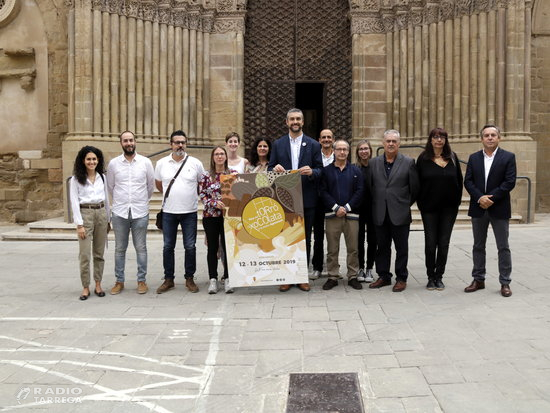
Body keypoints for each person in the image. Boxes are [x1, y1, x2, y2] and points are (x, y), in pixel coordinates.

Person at [268, 108, 323, 292]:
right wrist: (274, 168)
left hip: (306, 198)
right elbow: (269, 168)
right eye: (292, 119)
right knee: (285, 238)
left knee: (304, 239)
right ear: (287, 122)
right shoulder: (278, 144)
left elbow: (320, 170)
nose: (295, 121)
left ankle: (301, 276)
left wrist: (312, 172)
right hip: (284, 199)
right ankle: (287, 276)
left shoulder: (314, 145)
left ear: (302, 122)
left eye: (298, 118)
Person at [463, 124, 516, 297]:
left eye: (493, 135)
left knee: (503, 247)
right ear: (482, 139)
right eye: (487, 135)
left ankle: (505, 282)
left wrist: (490, 199)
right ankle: (478, 279)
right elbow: (468, 181)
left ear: (499, 138)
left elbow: (509, 182)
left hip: (499, 208)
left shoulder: (508, 157)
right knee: (478, 245)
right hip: (478, 208)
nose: (490, 138)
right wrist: (480, 198)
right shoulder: (473, 158)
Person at [368, 129, 419, 292]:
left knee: (401, 248)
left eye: (394, 141)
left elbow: (415, 189)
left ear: (399, 144)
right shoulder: (373, 163)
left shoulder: (409, 162)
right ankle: (383, 276)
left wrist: (403, 204)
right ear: (383, 143)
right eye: (388, 141)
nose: (390, 144)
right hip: (380, 213)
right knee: (382, 247)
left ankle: (401, 278)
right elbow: (371, 187)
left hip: (400, 213)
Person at [155, 130, 205, 294]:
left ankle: (189, 278)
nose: (180, 145)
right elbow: (159, 184)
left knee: (190, 246)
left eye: (183, 142)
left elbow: (201, 184)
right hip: (168, 211)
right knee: (168, 246)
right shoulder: (162, 163)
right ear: (171, 144)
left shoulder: (195, 163)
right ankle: (168, 279)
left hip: (189, 211)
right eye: (177, 142)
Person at [107, 131, 155, 295]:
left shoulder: (145, 162)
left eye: (131, 140)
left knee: (141, 248)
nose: (129, 143)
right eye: (125, 141)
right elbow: (110, 187)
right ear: (121, 143)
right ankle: (119, 281)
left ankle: (141, 281)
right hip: (120, 212)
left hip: (140, 212)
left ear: (135, 141)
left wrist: (140, 201)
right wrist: (122, 202)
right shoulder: (113, 164)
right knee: (120, 249)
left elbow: (150, 186)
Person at [416, 128, 463, 291]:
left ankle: (439, 276)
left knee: (443, 243)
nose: (439, 140)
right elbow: (417, 183)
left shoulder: (453, 158)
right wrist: (421, 204)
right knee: (430, 244)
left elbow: (459, 181)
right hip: (429, 209)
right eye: (435, 137)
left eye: (442, 137)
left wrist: (456, 202)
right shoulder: (423, 159)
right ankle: (430, 276)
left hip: (448, 209)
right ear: (430, 140)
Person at [320, 139, 364, 290]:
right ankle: (332, 276)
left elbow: (360, 191)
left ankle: (352, 276)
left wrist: (346, 207)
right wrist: (335, 207)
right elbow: (323, 191)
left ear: (348, 151)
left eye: (345, 149)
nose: (342, 152)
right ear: (334, 151)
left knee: (353, 248)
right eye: (339, 149)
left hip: (351, 216)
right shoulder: (326, 171)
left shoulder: (356, 171)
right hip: (332, 215)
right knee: (332, 248)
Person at [69, 146, 110, 301]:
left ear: (98, 160)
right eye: (88, 159)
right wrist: (79, 225)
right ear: (83, 161)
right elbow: (74, 201)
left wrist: (108, 219)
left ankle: (98, 284)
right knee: (85, 254)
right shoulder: (76, 179)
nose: (91, 162)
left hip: (101, 214)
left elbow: (106, 198)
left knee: (99, 253)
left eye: (94, 159)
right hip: (85, 214)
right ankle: (85, 286)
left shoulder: (102, 177)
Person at [199, 146, 236, 294]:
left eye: (222, 154)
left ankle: (228, 278)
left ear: (226, 156)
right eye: (217, 154)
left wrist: (228, 203)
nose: (220, 156)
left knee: (228, 248)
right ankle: (213, 279)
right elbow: (202, 194)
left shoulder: (232, 174)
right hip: (210, 216)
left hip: (228, 216)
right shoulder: (206, 175)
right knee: (212, 248)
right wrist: (214, 203)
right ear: (213, 157)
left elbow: (239, 191)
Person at [310, 129, 335, 280]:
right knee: (318, 236)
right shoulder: (314, 155)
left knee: (334, 236)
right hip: (317, 200)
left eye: (329, 137)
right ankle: (317, 267)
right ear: (319, 140)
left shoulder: (339, 154)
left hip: (333, 200)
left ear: (333, 140)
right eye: (323, 137)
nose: (326, 139)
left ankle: (333, 267)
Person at [355, 139, 376, 283]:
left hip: (374, 208)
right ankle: (360, 267)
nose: (364, 151)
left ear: (370, 151)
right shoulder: (353, 168)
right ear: (357, 152)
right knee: (359, 240)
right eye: (361, 149)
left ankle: (369, 268)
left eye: (366, 149)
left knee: (372, 240)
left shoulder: (376, 167)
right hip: (357, 209)